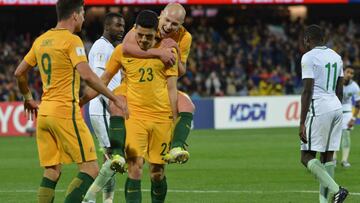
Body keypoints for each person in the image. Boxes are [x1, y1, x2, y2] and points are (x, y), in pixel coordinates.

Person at [13, 0, 127, 202]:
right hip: (65, 112)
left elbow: (19, 73)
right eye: (83, 14)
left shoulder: (41, 40)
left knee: (52, 171)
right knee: (90, 168)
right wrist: (113, 97)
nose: (84, 18)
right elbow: (87, 75)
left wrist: (28, 98)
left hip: (45, 113)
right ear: (75, 14)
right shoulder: (71, 40)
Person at [121, 2, 194, 164]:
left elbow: (181, 71)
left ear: (181, 25)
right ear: (161, 14)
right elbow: (125, 48)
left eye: (175, 24)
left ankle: (177, 146)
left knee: (187, 106)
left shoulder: (184, 37)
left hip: (160, 86)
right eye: (166, 20)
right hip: (134, 85)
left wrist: (176, 49)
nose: (168, 26)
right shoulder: (148, 23)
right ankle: (115, 151)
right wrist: (159, 53)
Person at [299, 24, 348, 203]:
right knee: (328, 156)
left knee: (306, 156)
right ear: (323, 39)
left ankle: (337, 190)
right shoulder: (336, 56)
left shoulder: (308, 57)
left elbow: (307, 90)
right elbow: (340, 88)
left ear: (307, 40)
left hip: (319, 107)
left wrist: (301, 122)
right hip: (336, 106)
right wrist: (337, 109)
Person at [86, 12, 125, 203]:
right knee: (113, 156)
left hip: (107, 106)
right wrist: (114, 106)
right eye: (118, 25)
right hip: (103, 106)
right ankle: (90, 198)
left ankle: (106, 200)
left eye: (123, 26)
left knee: (112, 156)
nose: (121, 29)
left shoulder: (110, 47)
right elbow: (101, 82)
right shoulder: (102, 47)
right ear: (107, 26)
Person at [333, 65, 360, 168]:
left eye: (351, 73)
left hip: (347, 111)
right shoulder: (335, 82)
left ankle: (344, 160)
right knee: (334, 135)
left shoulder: (355, 87)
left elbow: (358, 104)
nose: (349, 74)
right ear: (343, 72)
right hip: (335, 109)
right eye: (348, 72)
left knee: (346, 135)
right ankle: (334, 158)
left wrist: (353, 118)